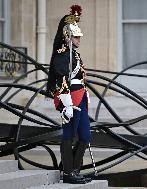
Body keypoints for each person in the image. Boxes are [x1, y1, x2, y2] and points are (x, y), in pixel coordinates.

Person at [46, 5, 92, 184]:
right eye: (76, 36)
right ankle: (68, 172)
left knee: (85, 135)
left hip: (80, 97)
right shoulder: (62, 54)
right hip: (70, 98)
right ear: (68, 36)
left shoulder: (76, 54)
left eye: (79, 35)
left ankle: (74, 169)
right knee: (69, 134)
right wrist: (66, 103)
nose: (79, 38)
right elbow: (61, 78)